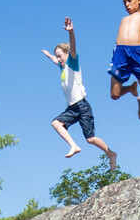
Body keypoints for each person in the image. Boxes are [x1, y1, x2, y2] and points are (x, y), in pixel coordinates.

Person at [42, 17, 118, 170]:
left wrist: (71, 32)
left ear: (67, 54)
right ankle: (74, 145)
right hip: (71, 108)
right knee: (56, 123)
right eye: (57, 56)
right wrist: (50, 56)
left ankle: (111, 154)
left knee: (90, 139)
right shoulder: (62, 67)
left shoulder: (72, 62)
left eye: (60, 55)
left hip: (82, 106)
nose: (59, 59)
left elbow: (73, 47)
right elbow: (55, 61)